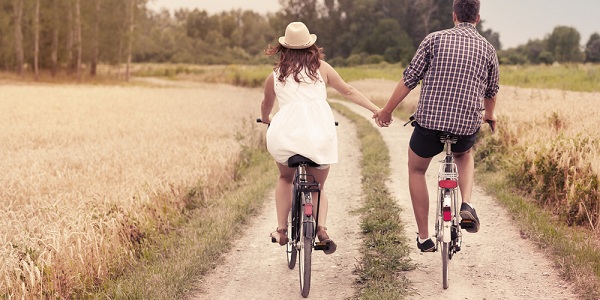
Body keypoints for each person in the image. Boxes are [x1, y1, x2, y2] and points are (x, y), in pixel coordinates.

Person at [374, 0, 499, 252]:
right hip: (465, 126)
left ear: (454, 15)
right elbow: (491, 91)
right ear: (477, 18)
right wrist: (490, 115)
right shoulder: (488, 49)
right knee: (464, 153)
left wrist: (387, 111)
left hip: (430, 124)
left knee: (417, 170)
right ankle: (466, 204)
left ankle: (423, 237)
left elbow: (409, 79)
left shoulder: (433, 40)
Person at [260, 21, 381, 255]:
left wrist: (266, 118)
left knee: (286, 178)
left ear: (284, 49)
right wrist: (376, 109)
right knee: (318, 185)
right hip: (319, 136)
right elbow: (348, 91)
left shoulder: (274, 76)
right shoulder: (322, 68)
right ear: (310, 47)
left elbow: (266, 106)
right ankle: (322, 230)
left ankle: (282, 230)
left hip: (284, 137)